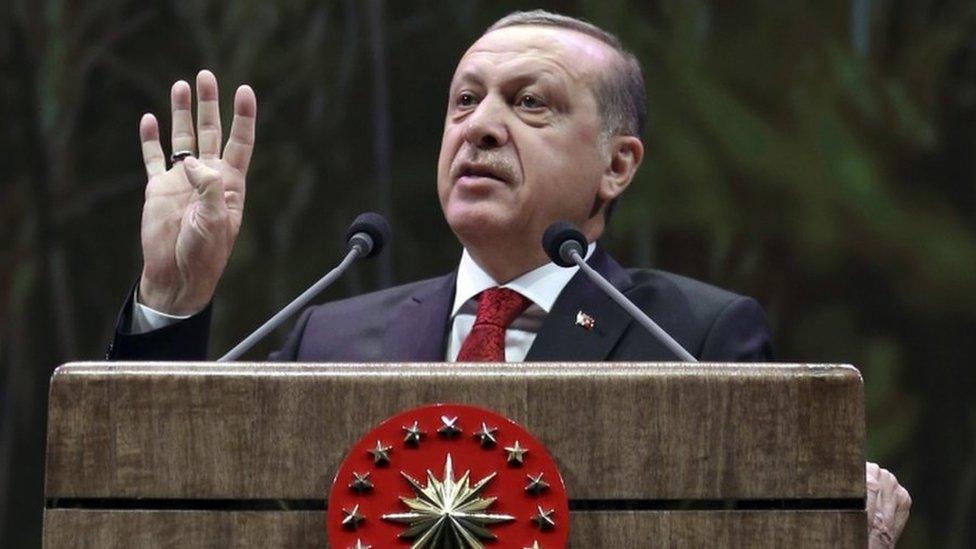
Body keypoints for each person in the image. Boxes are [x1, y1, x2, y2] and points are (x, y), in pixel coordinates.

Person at [105, 10, 911, 545]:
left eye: (530, 103)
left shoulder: (697, 335)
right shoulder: (338, 334)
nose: (481, 125)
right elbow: (156, 502)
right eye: (463, 102)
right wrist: (173, 301)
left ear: (617, 165)